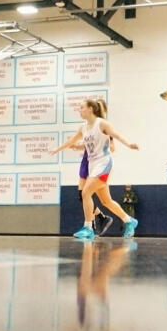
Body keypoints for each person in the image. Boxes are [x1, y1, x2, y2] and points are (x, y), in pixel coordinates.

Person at [49, 99, 139, 240]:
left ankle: (88, 228)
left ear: (90, 109)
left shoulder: (102, 124)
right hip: (92, 165)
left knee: (85, 192)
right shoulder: (83, 127)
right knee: (106, 201)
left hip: (104, 163)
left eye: (82, 107)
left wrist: (129, 144)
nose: (79, 110)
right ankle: (129, 221)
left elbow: (116, 136)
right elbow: (71, 141)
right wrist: (57, 149)